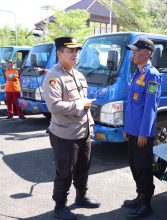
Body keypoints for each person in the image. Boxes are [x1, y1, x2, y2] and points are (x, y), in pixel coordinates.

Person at [43, 37, 100, 220]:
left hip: (83, 132)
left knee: (83, 168)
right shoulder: (53, 77)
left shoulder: (78, 74)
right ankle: (59, 207)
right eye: (71, 51)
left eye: (77, 51)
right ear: (60, 54)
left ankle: (81, 196)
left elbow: (86, 105)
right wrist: (79, 105)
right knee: (65, 172)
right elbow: (54, 106)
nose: (75, 54)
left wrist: (90, 125)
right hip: (64, 135)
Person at [122, 38, 162, 219]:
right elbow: (132, 105)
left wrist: (144, 133)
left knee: (143, 168)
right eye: (132, 51)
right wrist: (127, 128)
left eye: (136, 51)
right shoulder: (137, 73)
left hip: (142, 134)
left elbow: (150, 107)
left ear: (146, 53)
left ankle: (146, 203)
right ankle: (139, 196)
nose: (133, 54)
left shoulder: (152, 75)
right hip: (132, 131)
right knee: (134, 165)